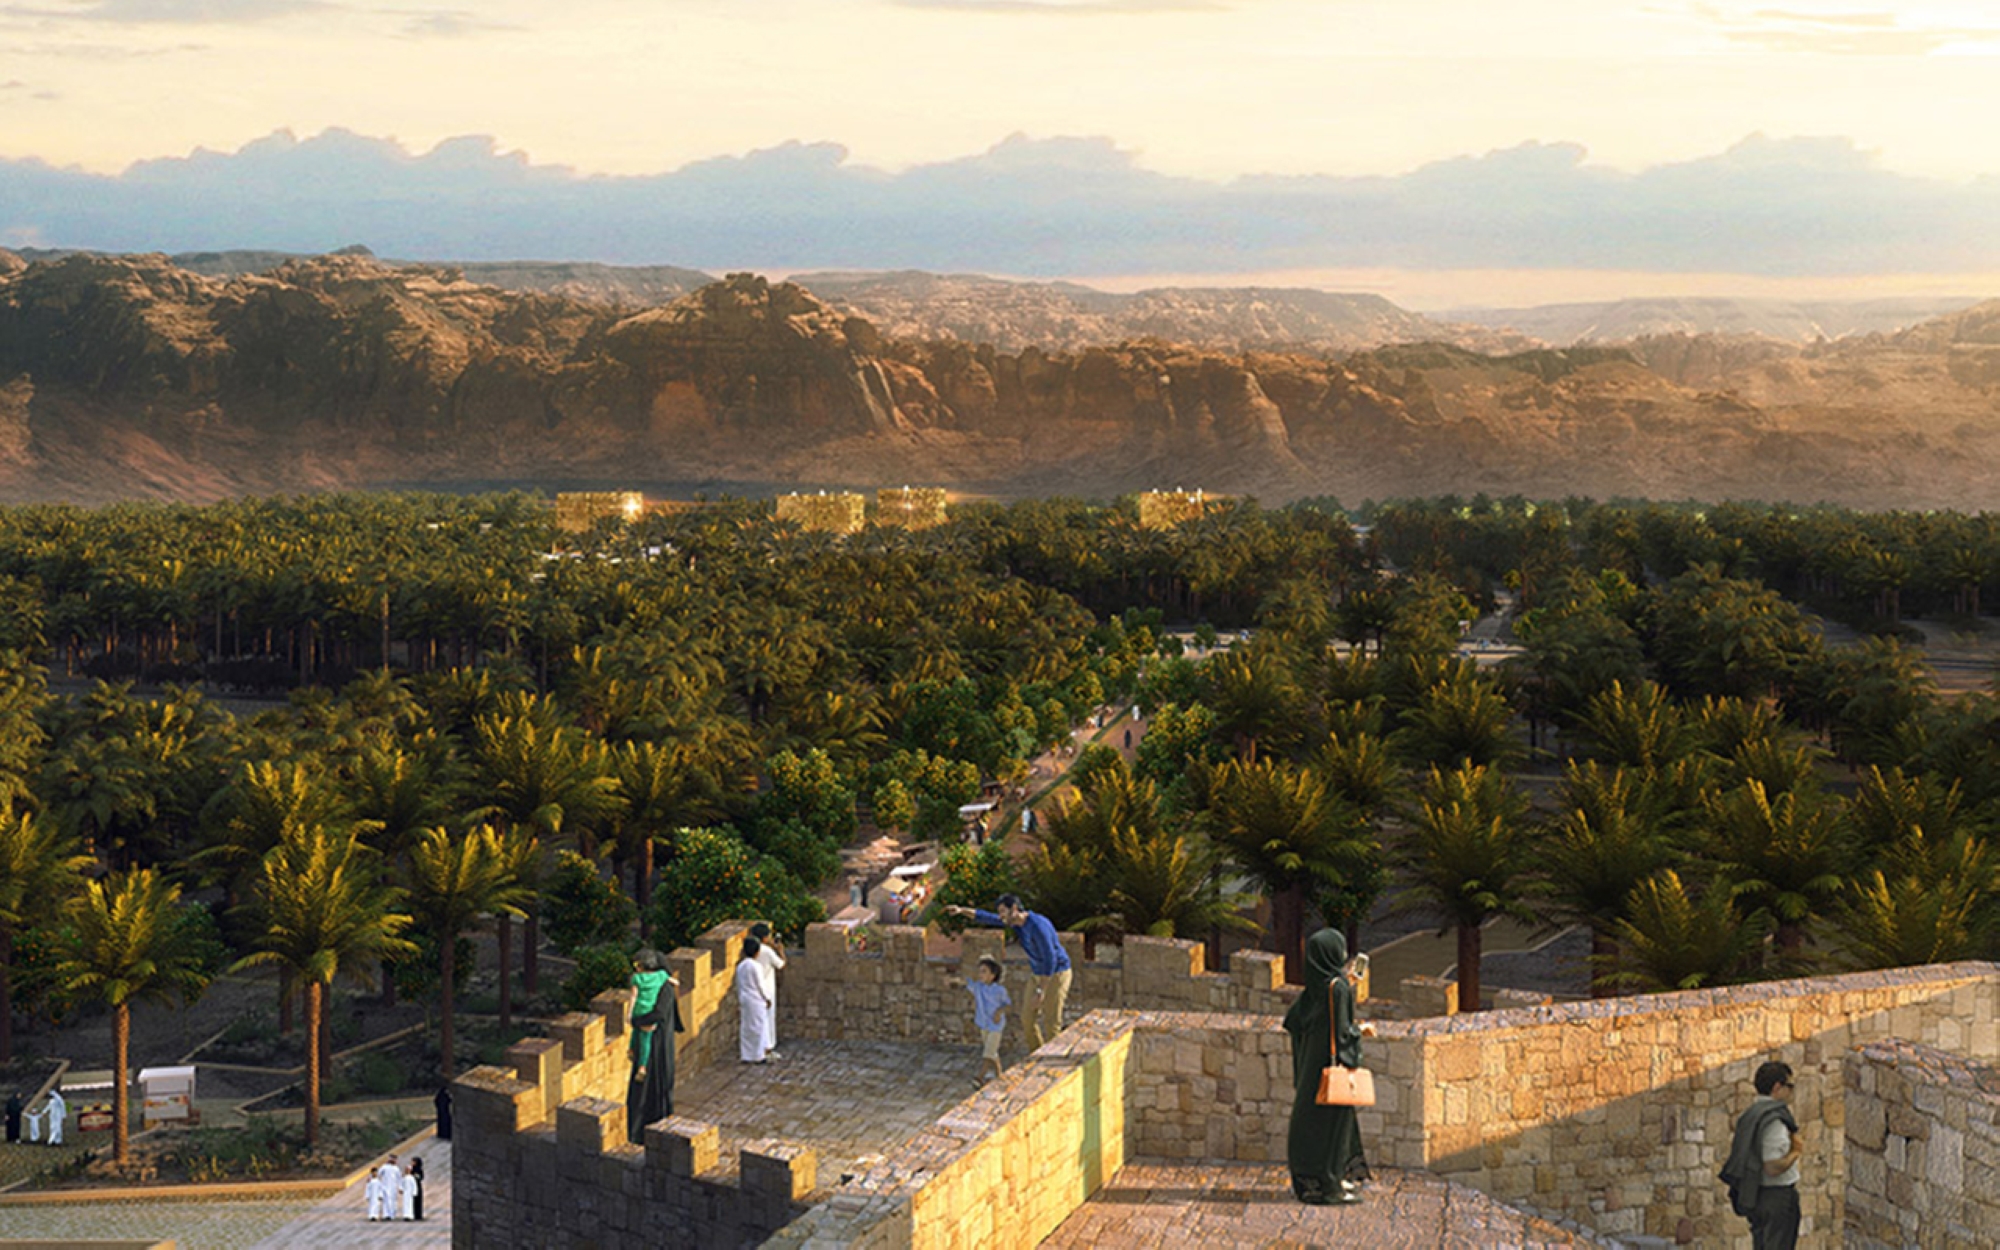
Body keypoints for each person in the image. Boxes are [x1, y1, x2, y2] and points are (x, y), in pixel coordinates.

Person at [1282, 928, 1373, 1205]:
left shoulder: (1315, 987)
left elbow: (1293, 1021)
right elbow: (1343, 1033)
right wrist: (1362, 1030)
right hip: (1333, 1069)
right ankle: (1331, 1186)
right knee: (1335, 1125)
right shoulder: (1338, 988)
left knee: (1311, 1122)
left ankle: (1312, 1181)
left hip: (1312, 1068)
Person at [946, 894, 1071, 1049]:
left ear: (1014, 909)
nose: (1000, 916)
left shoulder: (1038, 926)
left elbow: (1050, 958)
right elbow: (987, 917)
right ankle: (1037, 1055)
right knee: (1027, 1019)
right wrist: (961, 910)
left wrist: (1041, 990)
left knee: (1051, 1022)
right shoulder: (1016, 923)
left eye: (1003, 911)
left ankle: (1053, 1063)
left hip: (1056, 973)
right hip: (1038, 973)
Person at [1724, 1060, 1802, 1250]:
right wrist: (1795, 1152)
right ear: (1777, 1087)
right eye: (1789, 1086)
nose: (1791, 1091)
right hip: (1776, 1197)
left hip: (1756, 1195)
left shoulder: (1750, 1115)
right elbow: (1772, 1166)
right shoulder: (1773, 1120)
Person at [627, 949, 685, 1143]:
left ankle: (647, 1134)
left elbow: (658, 1014)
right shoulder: (662, 983)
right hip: (651, 1041)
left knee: (650, 1092)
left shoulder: (664, 989)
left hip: (657, 1046)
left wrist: (635, 1022)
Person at [951, 955, 1011, 1083]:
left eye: (984, 971)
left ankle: (980, 1077)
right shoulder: (978, 987)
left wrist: (999, 1012)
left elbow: (1008, 1005)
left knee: (988, 1052)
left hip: (995, 1026)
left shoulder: (1000, 990)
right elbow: (966, 983)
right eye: (980, 971)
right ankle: (999, 1074)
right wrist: (954, 979)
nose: (980, 974)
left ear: (992, 975)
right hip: (984, 1024)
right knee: (992, 1051)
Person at [735, 936, 772, 1063]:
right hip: (756, 999)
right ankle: (758, 1055)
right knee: (758, 1027)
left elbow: (739, 984)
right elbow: (760, 985)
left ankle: (746, 1054)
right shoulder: (756, 966)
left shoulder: (740, 966)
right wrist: (767, 998)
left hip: (745, 998)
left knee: (746, 1027)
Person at [750, 923, 785, 1059]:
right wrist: (780, 950)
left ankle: (757, 1048)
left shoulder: (751, 949)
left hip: (753, 989)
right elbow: (781, 964)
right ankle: (768, 1047)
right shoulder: (766, 951)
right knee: (768, 1018)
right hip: (767, 988)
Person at [408, 1156, 426, 1220]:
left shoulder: (419, 1169)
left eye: (413, 1161)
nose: (412, 1163)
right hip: (411, 1186)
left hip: (417, 1186)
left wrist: (416, 1176)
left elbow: (421, 1178)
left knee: (418, 1201)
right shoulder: (410, 1169)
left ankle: (418, 1215)